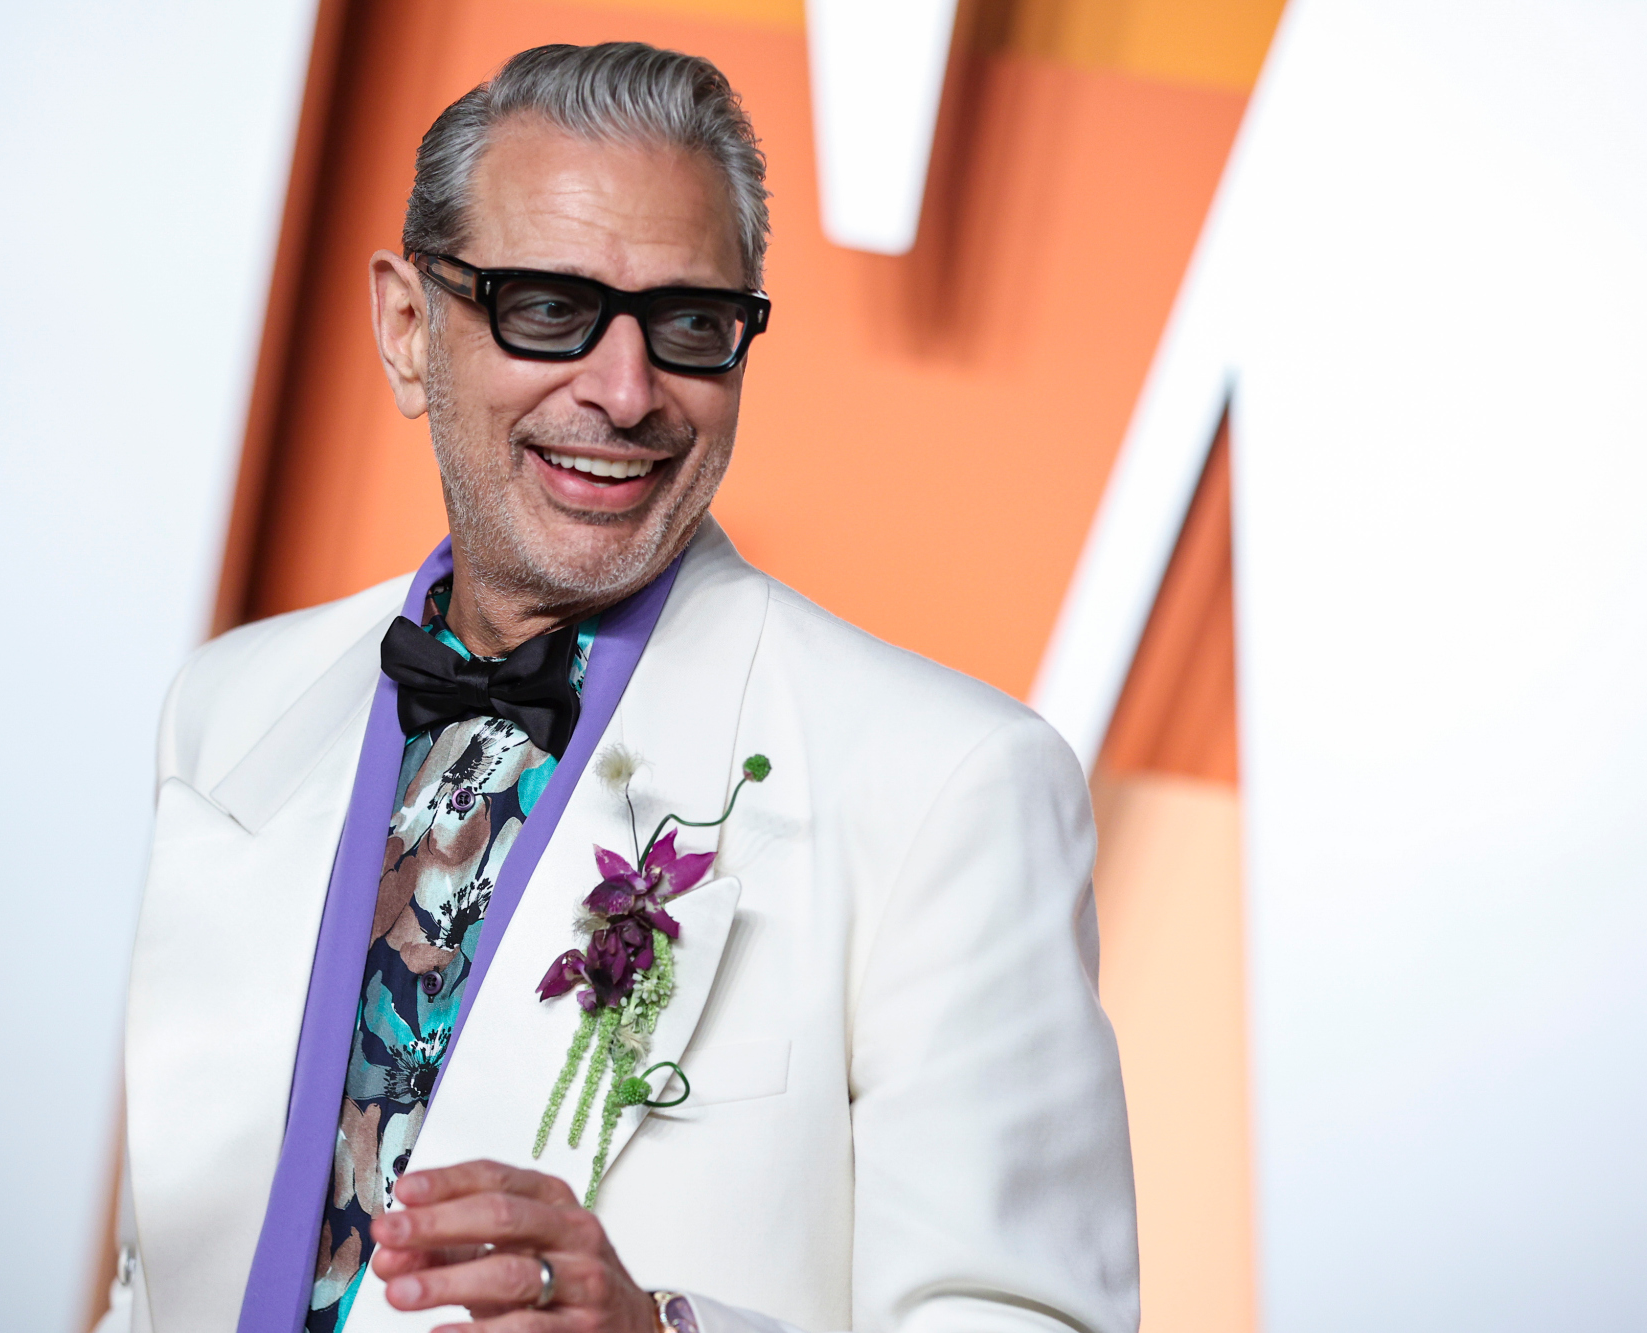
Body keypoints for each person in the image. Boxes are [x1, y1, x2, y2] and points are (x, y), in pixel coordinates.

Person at [99, 41, 1137, 1333]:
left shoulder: (953, 787)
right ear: (409, 331)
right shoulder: (225, 710)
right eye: (548, 308)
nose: (626, 391)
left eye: (690, 325)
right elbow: (155, 1287)